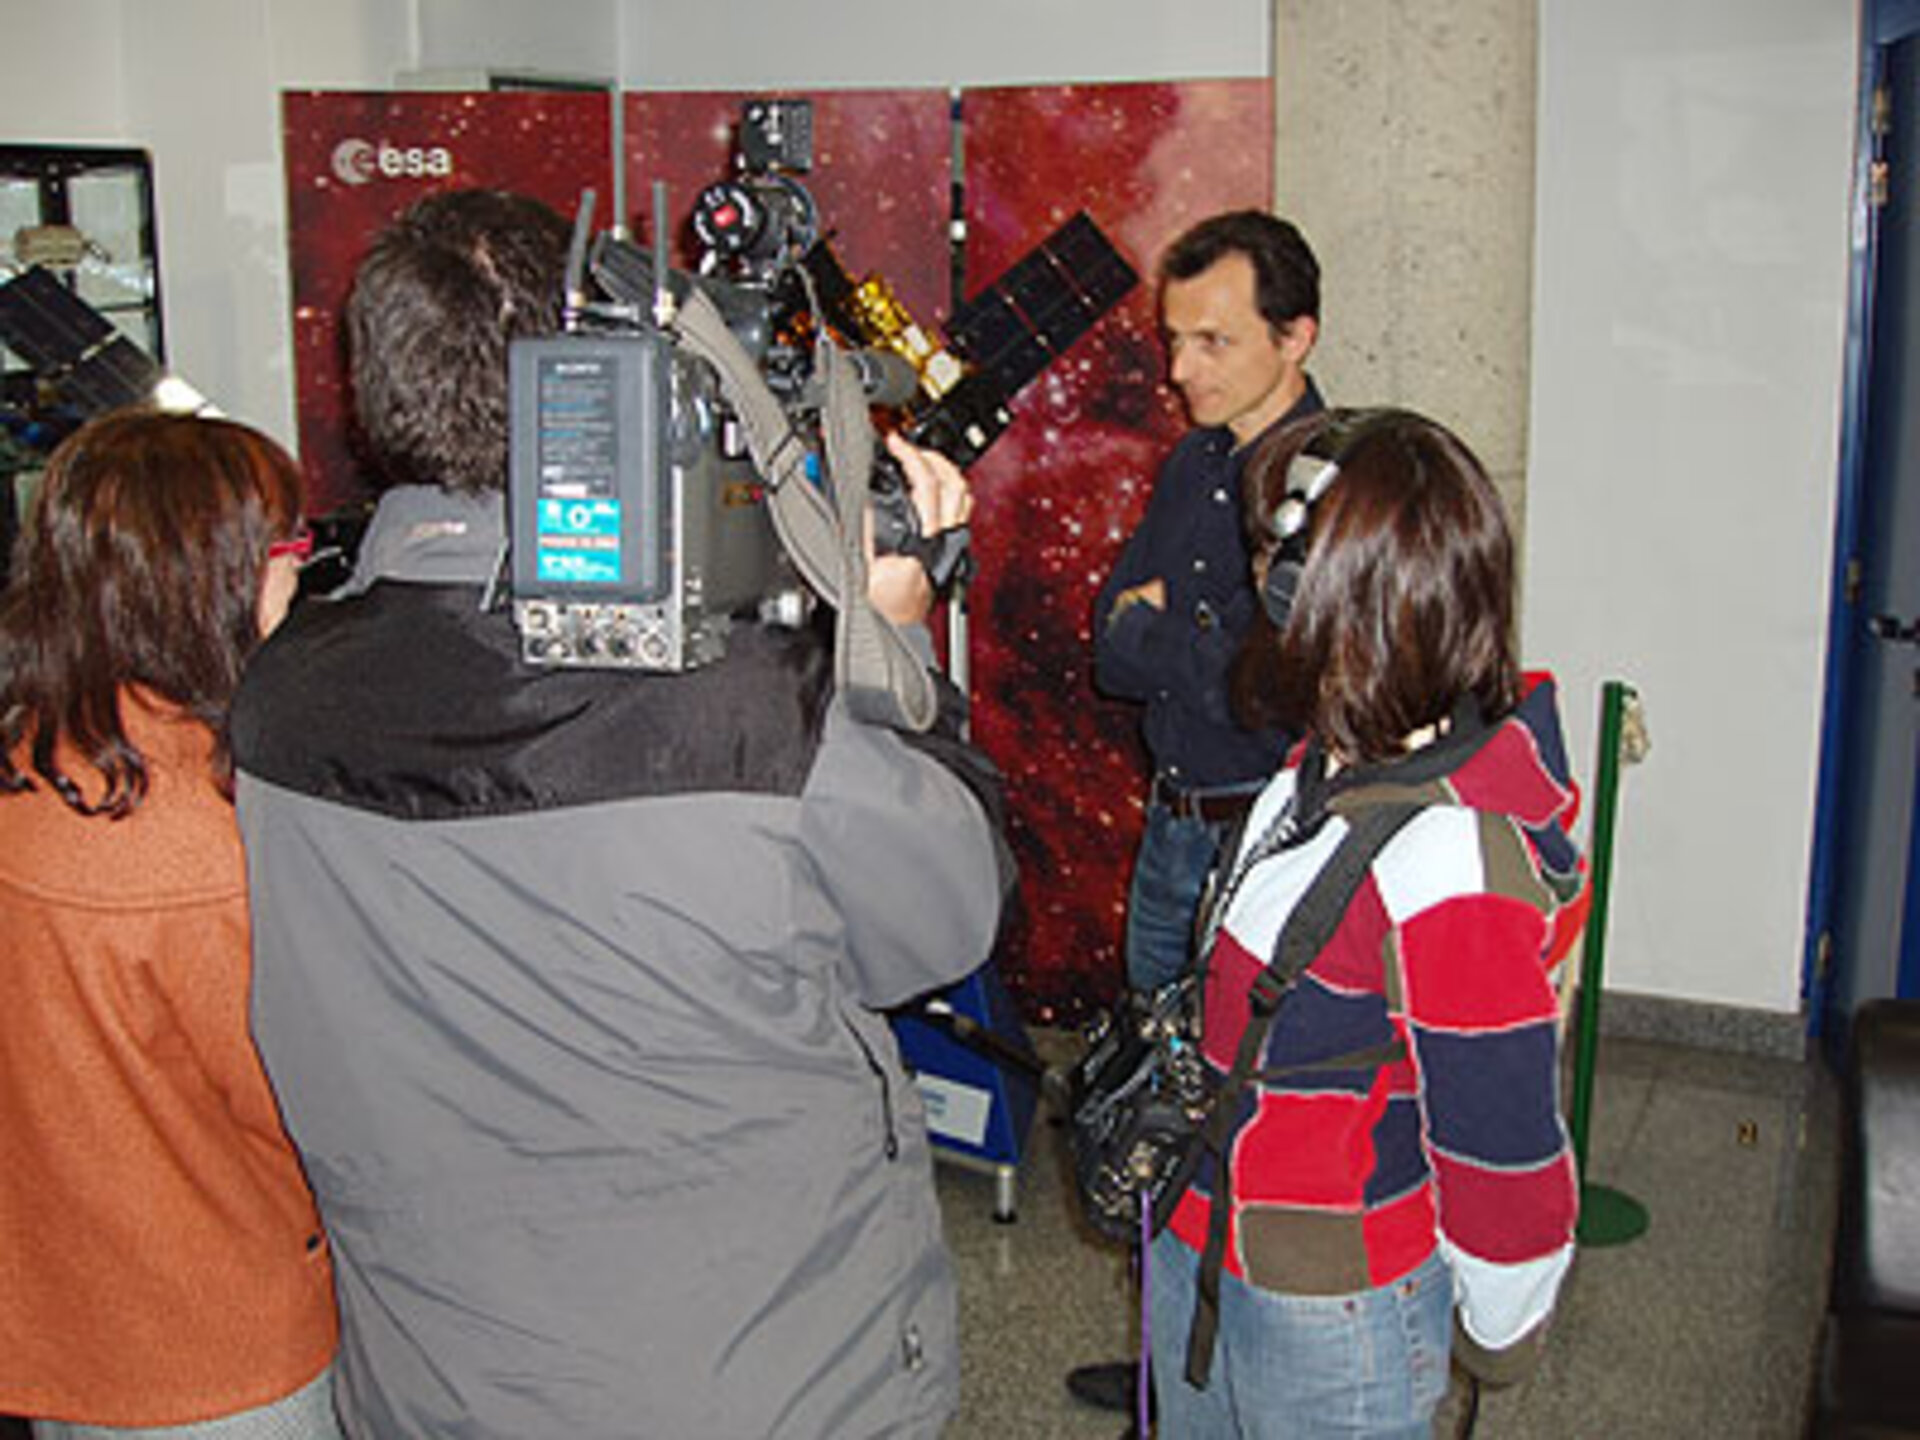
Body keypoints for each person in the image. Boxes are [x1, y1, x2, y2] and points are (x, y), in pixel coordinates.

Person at [227, 188, 1012, 1440]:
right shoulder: (757, 711)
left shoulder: (278, 692)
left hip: (433, 1379)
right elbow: (949, 918)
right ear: (616, 377)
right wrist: (895, 650)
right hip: (757, 1389)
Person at [1148, 407, 1587, 1438]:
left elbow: (1503, 1150)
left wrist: (1496, 1328)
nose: (1259, 579)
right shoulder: (1328, 762)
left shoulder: (1450, 864)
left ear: (1323, 591)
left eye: (1273, 556)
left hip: (1329, 1308)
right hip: (1209, 1238)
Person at [0, 410, 341, 1438]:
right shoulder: (207, 847)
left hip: (61, 1329)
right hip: (220, 1355)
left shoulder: (33, 758)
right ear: (212, 577)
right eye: (290, 549)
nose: (302, 577)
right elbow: (300, 1111)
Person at [1077, 208, 1327, 1426]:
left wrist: (1170, 621)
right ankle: (1161, 1359)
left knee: (1238, 1120)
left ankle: (1221, 1372)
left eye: (1213, 343)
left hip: (1264, 845)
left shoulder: (1337, 488)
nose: (1180, 372)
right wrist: (1178, 623)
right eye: (1176, 341)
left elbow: (1275, 685)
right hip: (1174, 830)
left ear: (1297, 337)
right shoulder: (1195, 462)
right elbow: (1114, 650)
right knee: (1149, 1106)